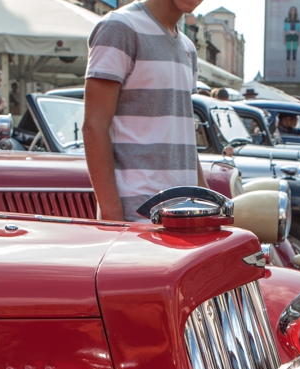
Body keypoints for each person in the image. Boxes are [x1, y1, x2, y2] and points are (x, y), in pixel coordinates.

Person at [82, 0, 207, 223]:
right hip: (137, 217)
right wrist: (113, 218)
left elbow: (182, 133)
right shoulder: (120, 28)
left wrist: (206, 200)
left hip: (184, 216)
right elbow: (94, 126)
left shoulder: (188, 48)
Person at [284, 6, 300, 78]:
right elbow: (284, 30)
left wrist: (299, 39)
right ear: (290, 12)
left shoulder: (298, 20)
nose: (293, 12)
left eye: (294, 10)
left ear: (295, 12)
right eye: (292, 10)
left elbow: (299, 30)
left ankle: (294, 70)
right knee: (288, 53)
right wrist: (284, 38)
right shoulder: (287, 20)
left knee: (294, 54)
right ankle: (287, 69)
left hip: (295, 37)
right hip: (288, 36)